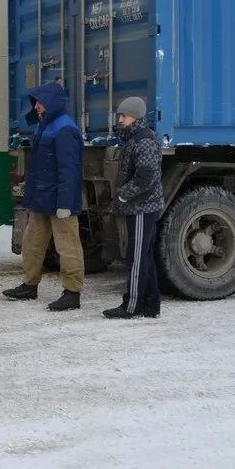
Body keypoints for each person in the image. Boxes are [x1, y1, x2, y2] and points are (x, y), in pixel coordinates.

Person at [2, 82, 84, 311]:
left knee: (67, 247)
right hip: (41, 199)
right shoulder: (45, 126)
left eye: (39, 102)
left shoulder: (65, 129)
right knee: (32, 244)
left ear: (50, 102)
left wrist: (66, 204)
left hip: (60, 202)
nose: (36, 106)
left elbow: (70, 170)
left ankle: (72, 293)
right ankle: (29, 285)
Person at [103, 96, 165, 319]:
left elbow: (145, 177)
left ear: (136, 116)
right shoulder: (134, 138)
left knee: (136, 257)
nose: (120, 119)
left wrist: (122, 195)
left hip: (142, 207)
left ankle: (132, 305)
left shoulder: (143, 140)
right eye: (119, 115)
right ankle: (151, 304)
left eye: (124, 115)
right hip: (141, 206)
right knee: (144, 256)